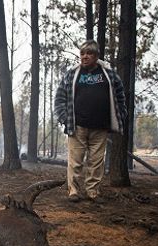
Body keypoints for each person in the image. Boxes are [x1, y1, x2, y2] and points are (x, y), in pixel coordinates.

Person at [54, 40, 127, 203]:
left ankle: (93, 192)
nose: (85, 56)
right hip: (77, 126)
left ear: (97, 56)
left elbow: (120, 97)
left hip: (100, 127)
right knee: (75, 161)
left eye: (89, 53)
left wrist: (120, 115)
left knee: (96, 162)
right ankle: (73, 191)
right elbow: (59, 98)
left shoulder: (109, 74)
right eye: (82, 53)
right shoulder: (72, 74)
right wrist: (64, 118)